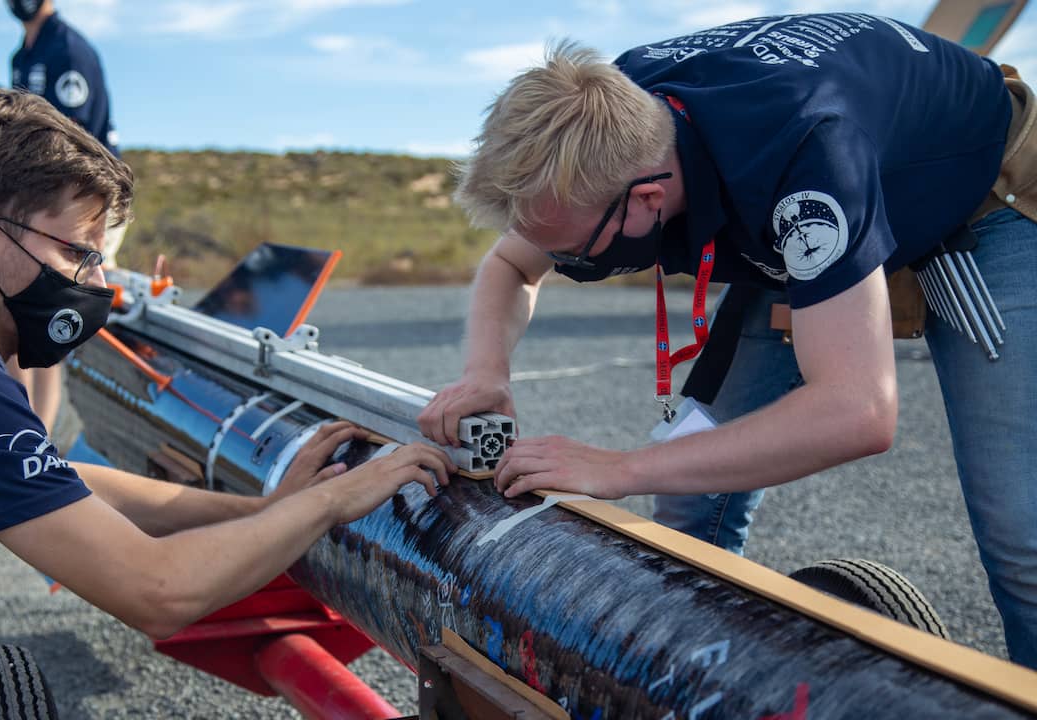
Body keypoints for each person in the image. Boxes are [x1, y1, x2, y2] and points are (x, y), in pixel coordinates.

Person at [0, 88, 454, 718]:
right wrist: (332, 504)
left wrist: (265, 512)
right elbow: (159, 593)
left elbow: (65, 485)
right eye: (77, 253)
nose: (93, 282)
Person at [417, 15, 1037, 669]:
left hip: (984, 193)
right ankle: (694, 685)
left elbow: (857, 411)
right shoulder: (609, 121)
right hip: (808, 193)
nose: (562, 260)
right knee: (690, 492)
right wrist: (487, 370)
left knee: (1023, 538)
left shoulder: (807, 160)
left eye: (573, 251)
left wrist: (621, 468)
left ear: (649, 200)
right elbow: (511, 266)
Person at [7, 0, 123, 431]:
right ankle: (22, 421)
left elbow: (73, 142)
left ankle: (44, 436)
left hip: (80, 202)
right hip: (40, 202)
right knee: (21, 316)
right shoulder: (23, 53)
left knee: (51, 316)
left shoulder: (69, 50)